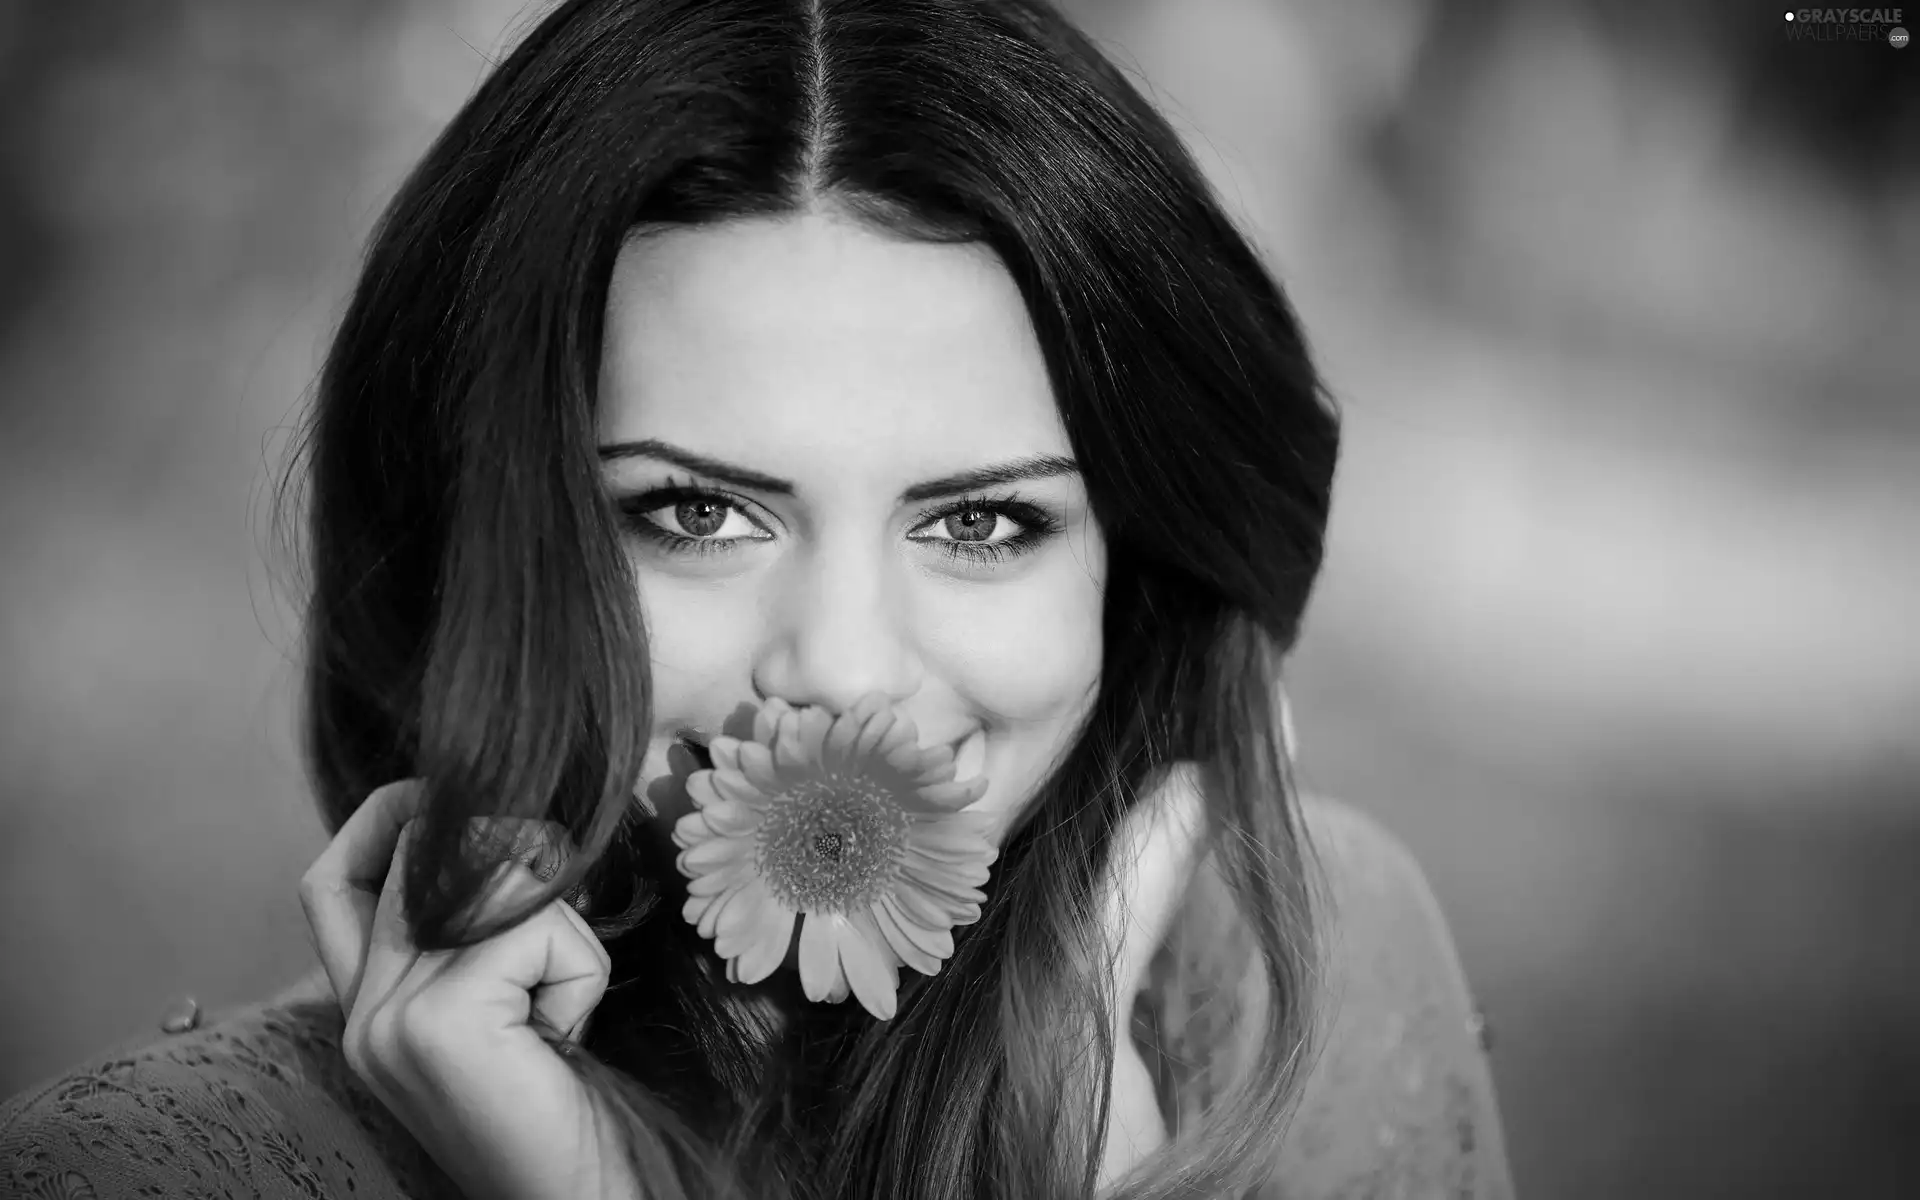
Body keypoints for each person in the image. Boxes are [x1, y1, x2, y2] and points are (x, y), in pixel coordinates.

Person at [0, 0, 1514, 1197]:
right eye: (697, 512)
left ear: (1142, 563)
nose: (845, 669)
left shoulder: (1288, 984)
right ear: (494, 542)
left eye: (984, 520)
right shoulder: (150, 1172)